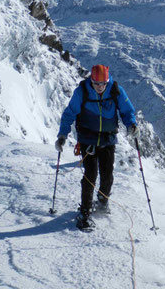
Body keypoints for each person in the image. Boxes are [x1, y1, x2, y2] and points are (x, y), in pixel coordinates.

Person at [55, 65, 138, 229]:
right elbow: (70, 113)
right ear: (91, 80)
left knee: (107, 175)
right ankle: (84, 212)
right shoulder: (82, 92)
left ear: (107, 81)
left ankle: (102, 203)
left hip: (108, 139)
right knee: (90, 175)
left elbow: (127, 111)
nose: (99, 87)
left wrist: (132, 124)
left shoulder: (115, 90)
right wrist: (62, 135)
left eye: (102, 84)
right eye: (96, 83)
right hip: (88, 139)